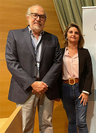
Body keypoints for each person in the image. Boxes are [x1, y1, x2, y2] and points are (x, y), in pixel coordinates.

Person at [5, 5, 62, 133]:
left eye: (42, 16)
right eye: (35, 15)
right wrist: (32, 83)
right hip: (24, 89)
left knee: (47, 126)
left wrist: (44, 83)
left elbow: (57, 62)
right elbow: (11, 62)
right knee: (25, 127)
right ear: (28, 17)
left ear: (45, 20)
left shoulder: (53, 39)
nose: (38, 19)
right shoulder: (14, 35)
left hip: (46, 89)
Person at [60, 23, 93, 133]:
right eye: (71, 32)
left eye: (76, 33)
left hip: (81, 89)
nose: (73, 34)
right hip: (65, 89)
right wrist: (56, 92)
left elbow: (89, 73)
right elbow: (55, 73)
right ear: (66, 35)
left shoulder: (84, 53)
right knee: (72, 120)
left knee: (81, 121)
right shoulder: (60, 53)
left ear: (79, 37)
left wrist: (86, 91)